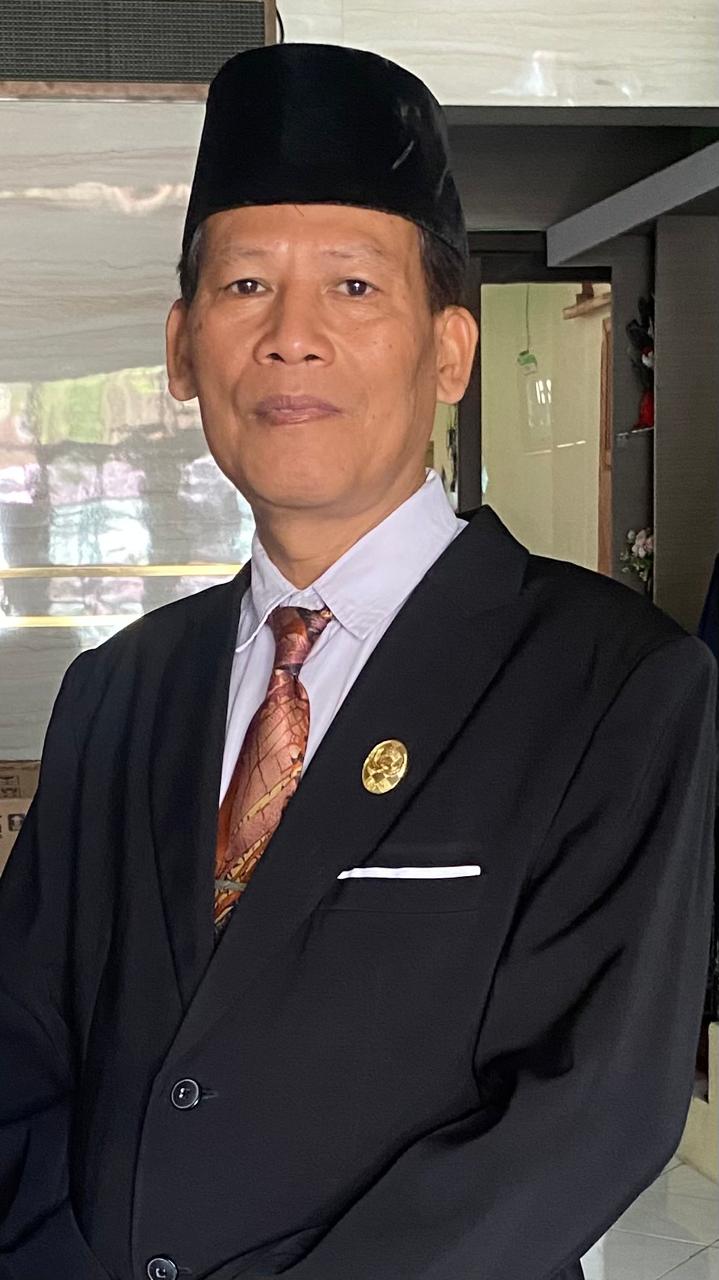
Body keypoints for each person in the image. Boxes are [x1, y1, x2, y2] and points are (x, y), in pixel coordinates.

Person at [0, 40, 716, 1280]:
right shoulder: (116, 689)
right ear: (182, 348)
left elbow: (586, 1109)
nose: (291, 338)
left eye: (350, 286)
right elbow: (22, 1037)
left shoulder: (612, 684)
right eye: (244, 286)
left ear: (449, 350)